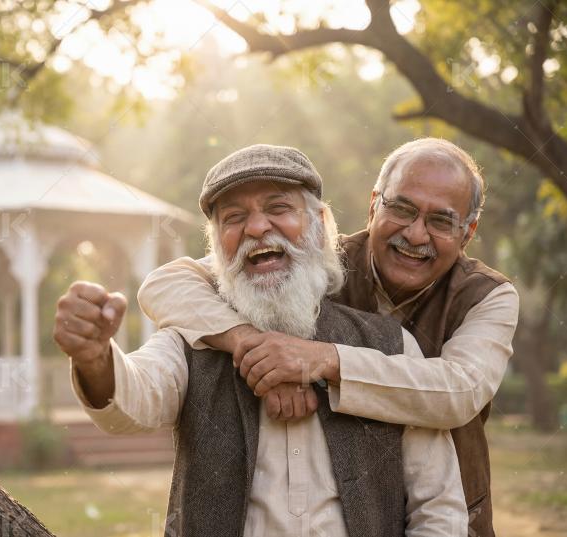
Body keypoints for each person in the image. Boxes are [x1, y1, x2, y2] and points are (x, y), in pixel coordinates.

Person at [54, 144, 467, 537]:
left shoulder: (389, 344)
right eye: (234, 217)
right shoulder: (193, 340)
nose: (256, 227)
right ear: (216, 245)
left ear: (321, 227)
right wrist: (94, 358)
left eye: (278, 208)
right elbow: (135, 401)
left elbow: (438, 508)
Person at [138, 138, 519, 536]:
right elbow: (166, 283)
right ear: (375, 205)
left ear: (468, 231)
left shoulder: (489, 296)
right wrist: (254, 345)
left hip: (450, 513)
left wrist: (322, 361)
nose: (416, 234)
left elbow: (459, 393)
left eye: (441, 221)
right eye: (402, 209)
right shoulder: (315, 258)